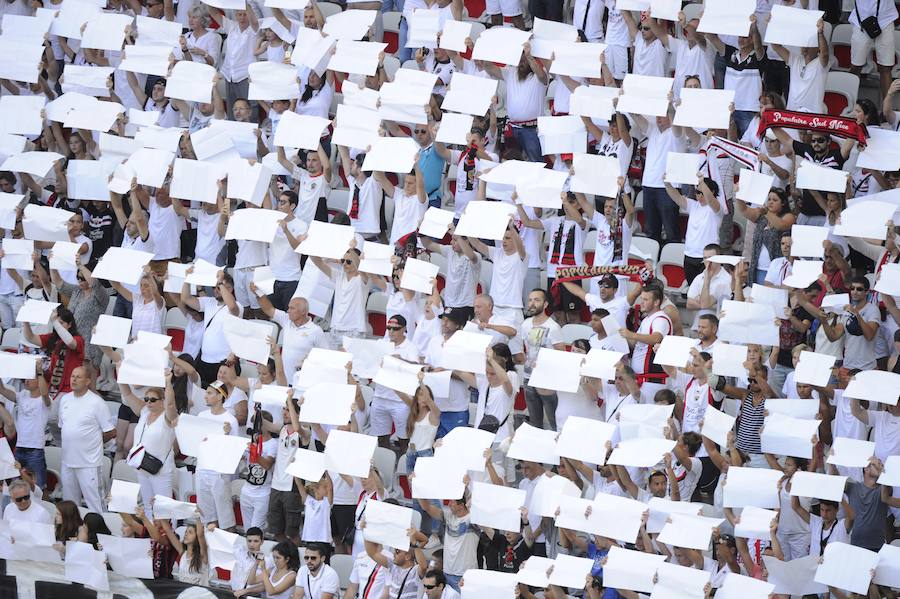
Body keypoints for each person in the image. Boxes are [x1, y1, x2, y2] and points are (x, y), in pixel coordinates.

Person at [57, 366, 115, 514]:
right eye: (72, 376)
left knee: (95, 505)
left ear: (88, 381)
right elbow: (63, 427)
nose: (74, 380)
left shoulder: (97, 402)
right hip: (67, 462)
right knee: (70, 506)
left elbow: (110, 431)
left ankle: (102, 534)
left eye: (78, 377)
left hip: (89, 463)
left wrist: (94, 442)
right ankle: (72, 534)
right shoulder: (65, 399)